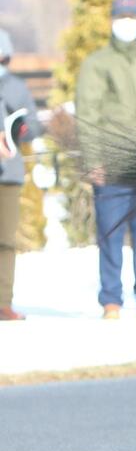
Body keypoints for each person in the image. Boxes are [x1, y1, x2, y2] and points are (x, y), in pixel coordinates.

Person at [76, 0, 136, 320]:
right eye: (121, 17)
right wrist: (93, 160)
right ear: (112, 21)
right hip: (112, 165)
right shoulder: (97, 64)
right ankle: (111, 300)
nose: (126, 23)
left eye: (131, 17)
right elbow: (88, 113)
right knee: (110, 234)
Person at [0, 29, 42, 320]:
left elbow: (35, 125)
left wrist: (20, 130)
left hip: (9, 175)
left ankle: (3, 301)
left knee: (6, 240)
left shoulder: (17, 87)